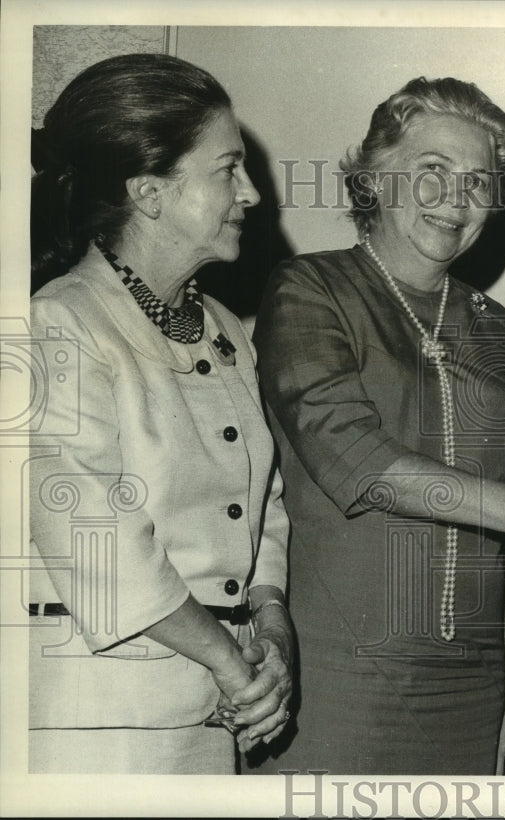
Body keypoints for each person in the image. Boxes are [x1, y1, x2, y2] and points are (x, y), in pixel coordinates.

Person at [251, 77, 505, 776]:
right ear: (374, 176)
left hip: (472, 690)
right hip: (337, 679)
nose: (457, 200)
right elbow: (354, 455)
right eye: (433, 172)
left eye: (477, 183)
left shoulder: (499, 331)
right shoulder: (309, 289)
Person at [28, 53, 293, 774]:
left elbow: (263, 505)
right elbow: (93, 536)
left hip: (216, 709)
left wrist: (272, 631)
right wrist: (232, 662)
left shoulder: (227, 330)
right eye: (228, 170)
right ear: (149, 192)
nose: (253, 194)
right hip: (105, 727)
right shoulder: (58, 322)